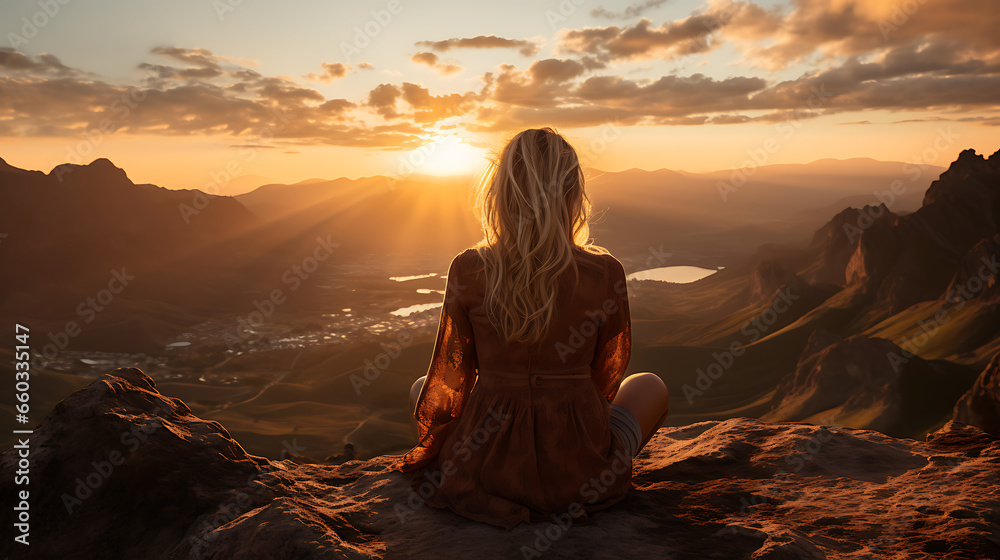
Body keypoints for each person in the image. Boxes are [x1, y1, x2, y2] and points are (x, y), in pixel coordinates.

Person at [393, 127, 670, 530]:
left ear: (500, 196)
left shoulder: (469, 268)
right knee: (650, 386)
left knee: (421, 386)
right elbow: (608, 374)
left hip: (485, 465)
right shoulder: (605, 272)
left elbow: (450, 378)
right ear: (573, 196)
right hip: (579, 474)